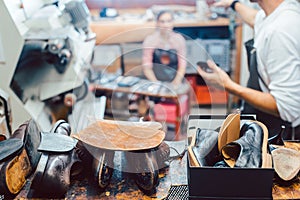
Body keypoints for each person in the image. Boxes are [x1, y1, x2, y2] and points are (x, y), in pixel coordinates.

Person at [197, 0, 300, 139]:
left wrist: (228, 85)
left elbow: (286, 107)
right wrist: (233, 4)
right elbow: (255, 18)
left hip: (282, 132)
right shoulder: (280, 12)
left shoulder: (281, 30)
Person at [142, 10, 187, 87]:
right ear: (157, 23)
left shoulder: (179, 40)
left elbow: (182, 65)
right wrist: (156, 83)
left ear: (173, 23)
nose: (166, 25)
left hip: (175, 79)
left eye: (169, 21)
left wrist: (176, 81)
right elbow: (147, 68)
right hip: (155, 79)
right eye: (162, 22)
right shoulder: (150, 41)